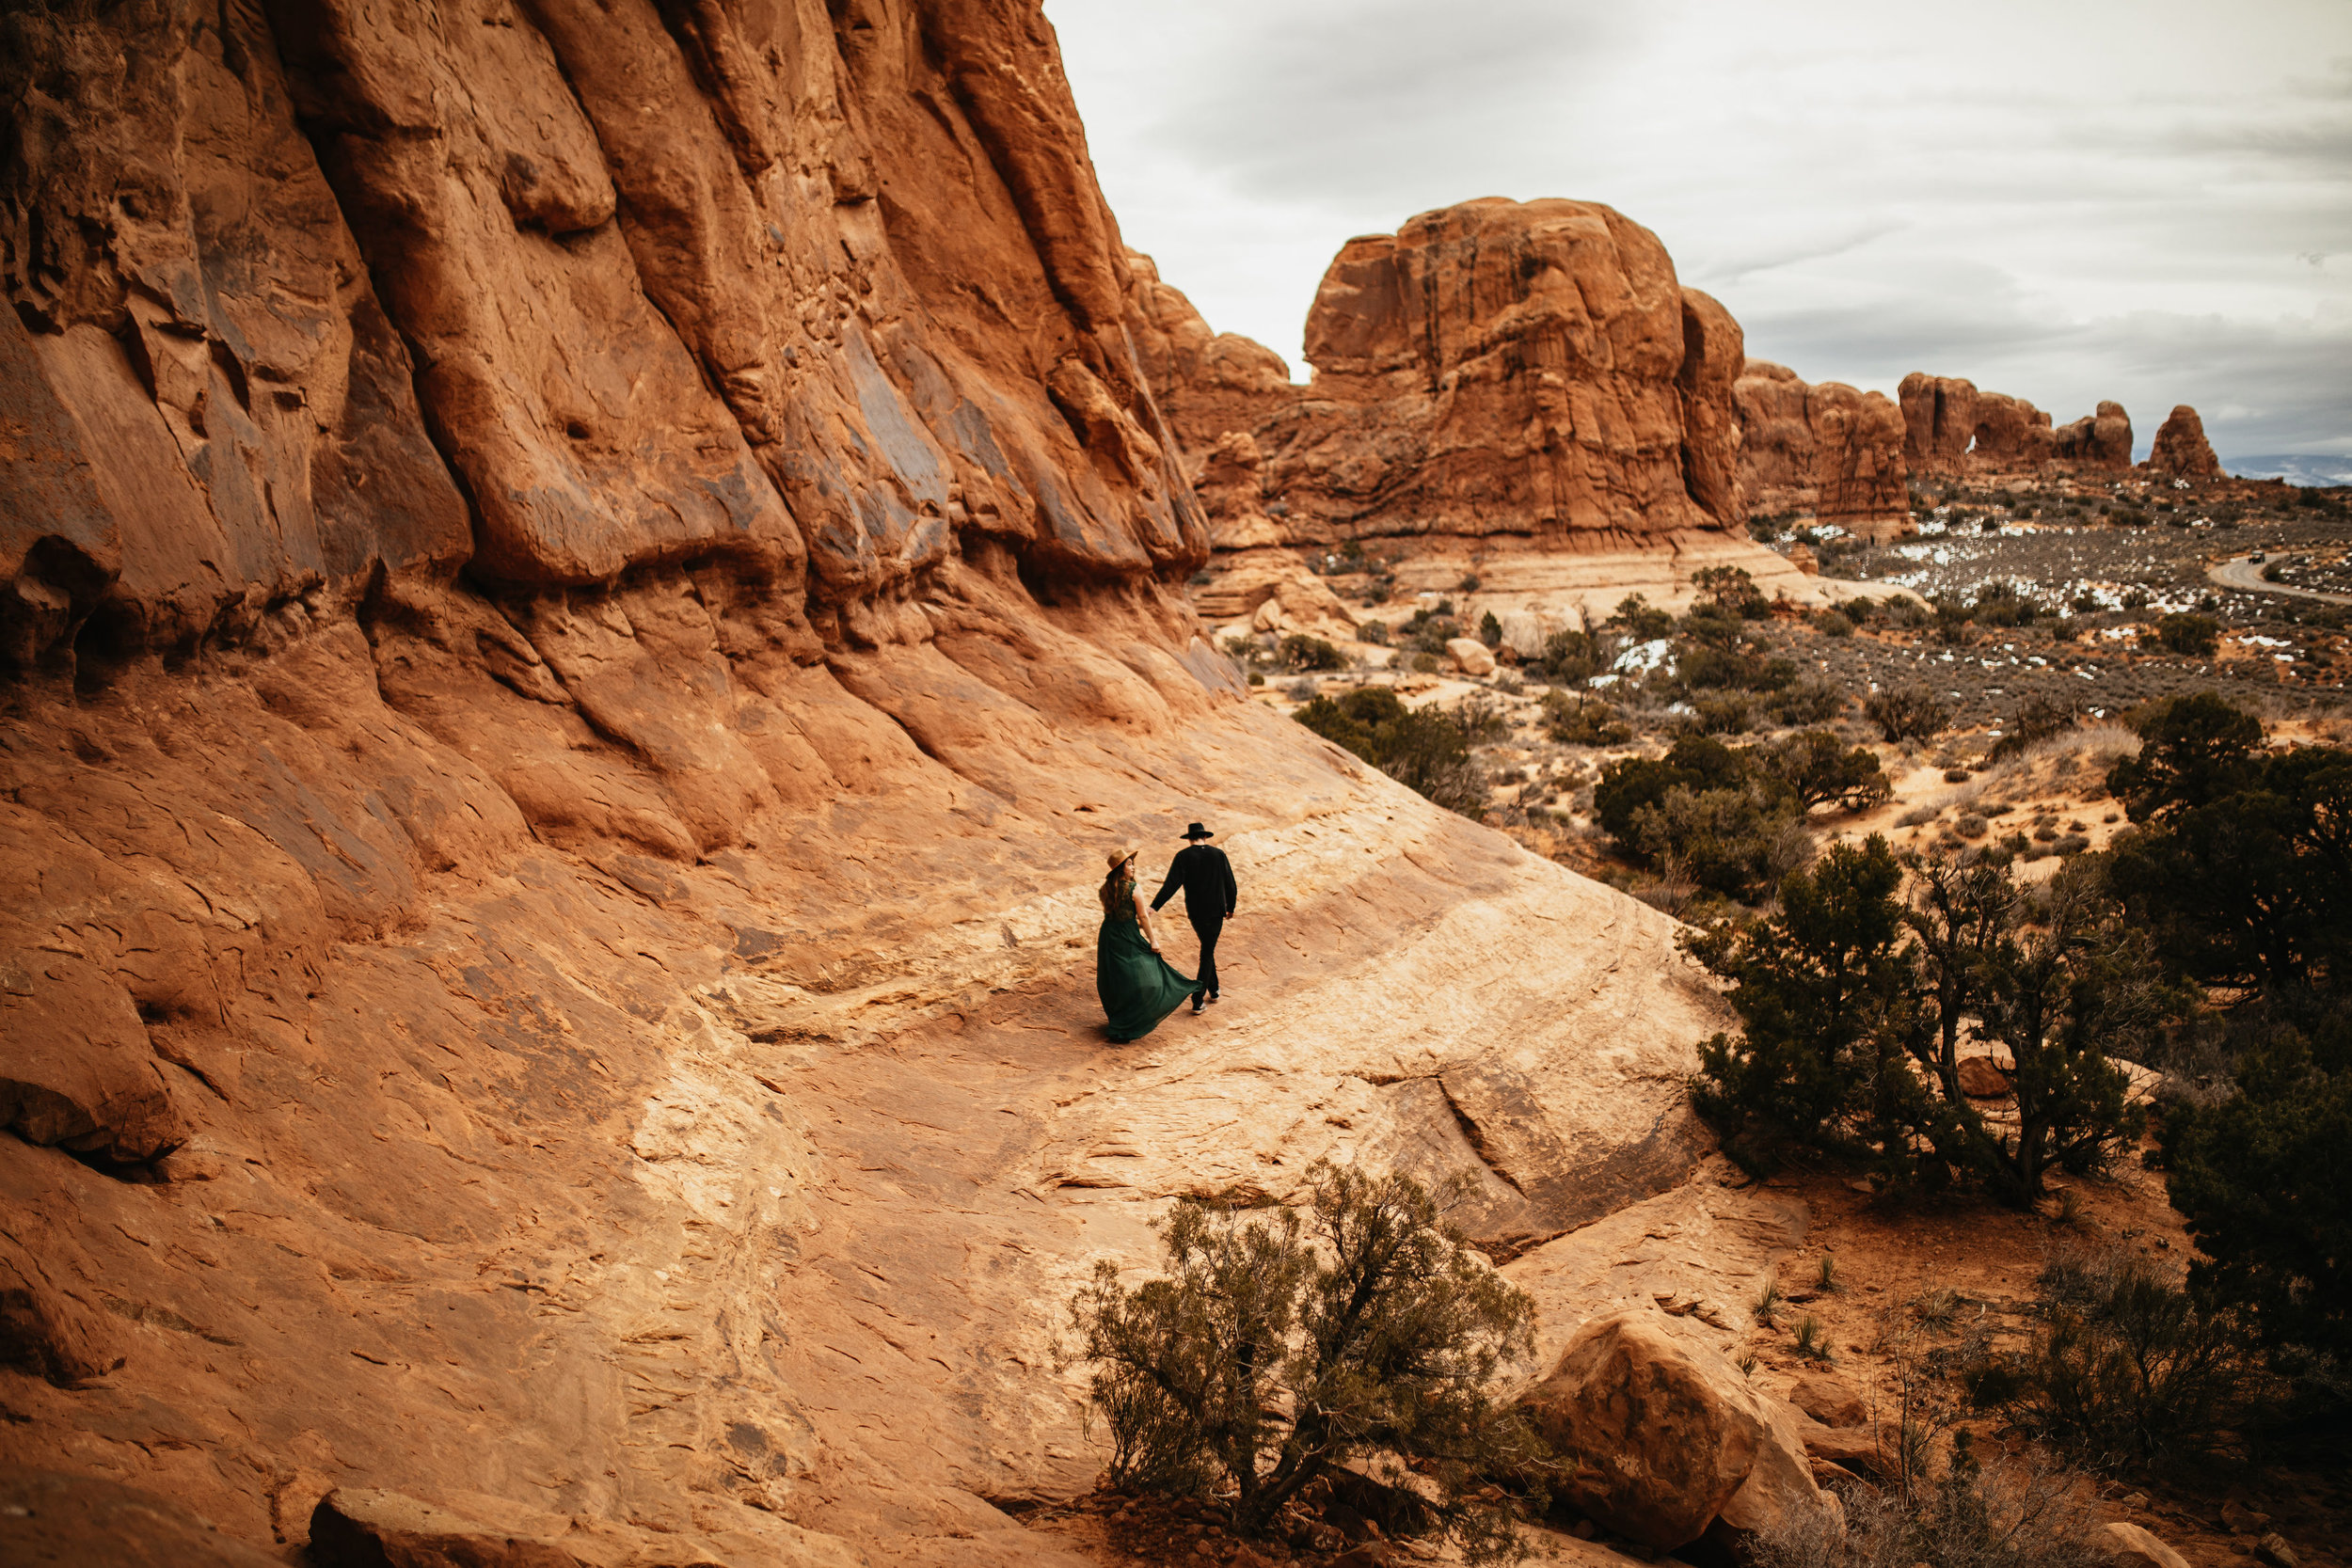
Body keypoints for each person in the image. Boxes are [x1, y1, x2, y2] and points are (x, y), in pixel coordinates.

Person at [1095, 845, 1199, 1044]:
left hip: (1109, 934)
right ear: (1121, 868)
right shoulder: (1134, 888)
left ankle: (1119, 1019)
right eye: (1129, 864)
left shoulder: (1105, 889)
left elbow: (1116, 914)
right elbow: (1142, 916)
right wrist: (1153, 940)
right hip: (1127, 934)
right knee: (1145, 974)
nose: (1133, 868)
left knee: (1115, 977)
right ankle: (1134, 1020)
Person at [1152, 822, 1237, 1014]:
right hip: (1216, 911)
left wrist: (1154, 906)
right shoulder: (1219, 854)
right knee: (1207, 950)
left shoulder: (1183, 856)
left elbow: (1170, 885)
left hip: (1196, 913)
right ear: (1205, 837)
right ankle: (1197, 999)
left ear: (1190, 838)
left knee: (1208, 948)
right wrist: (1230, 907)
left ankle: (1213, 989)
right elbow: (1230, 884)